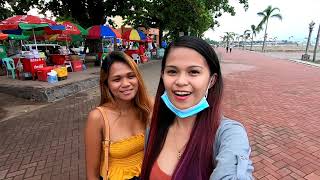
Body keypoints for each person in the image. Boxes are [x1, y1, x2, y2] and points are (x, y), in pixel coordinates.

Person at [140, 36, 253, 180]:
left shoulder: (228, 133)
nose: (181, 82)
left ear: (211, 80)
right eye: (172, 71)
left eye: (194, 72)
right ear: (162, 76)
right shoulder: (154, 129)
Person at [85, 51, 153, 180]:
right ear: (106, 84)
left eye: (131, 76)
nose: (126, 84)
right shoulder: (97, 118)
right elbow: (92, 175)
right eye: (117, 79)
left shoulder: (149, 106)